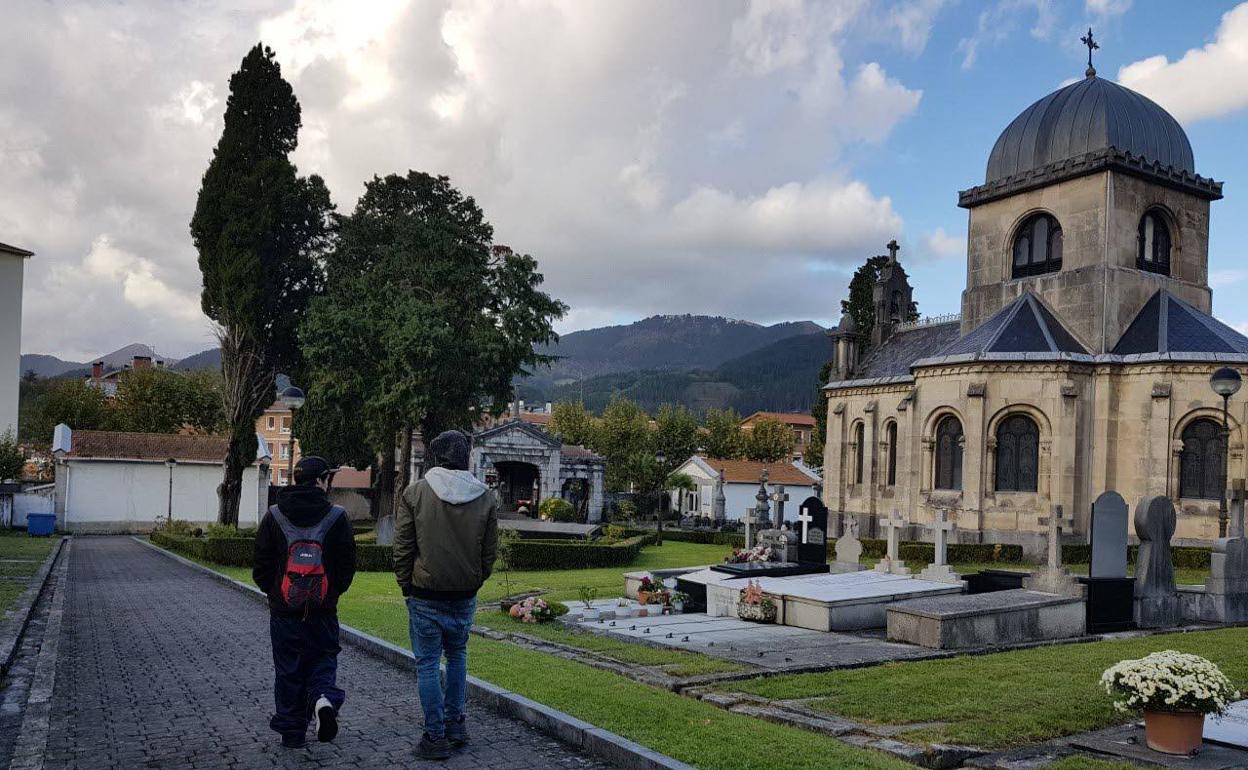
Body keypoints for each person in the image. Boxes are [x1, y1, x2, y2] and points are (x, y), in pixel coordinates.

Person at [394, 430, 498, 760]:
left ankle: (435, 737)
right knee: (457, 657)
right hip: (464, 594)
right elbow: (489, 552)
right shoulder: (484, 496)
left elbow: (403, 547)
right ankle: (455, 725)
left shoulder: (416, 493)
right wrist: (476, 579)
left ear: (436, 457)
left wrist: (406, 585)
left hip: (425, 593)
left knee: (427, 665)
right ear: (465, 456)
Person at [253, 456, 357, 749]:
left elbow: (261, 565)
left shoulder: (274, 514)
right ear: (321, 480)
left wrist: (276, 594)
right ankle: (323, 700)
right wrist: (332, 593)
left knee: (288, 669)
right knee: (323, 659)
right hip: (323, 610)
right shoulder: (337, 516)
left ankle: (293, 733)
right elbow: (347, 565)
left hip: (285, 611)